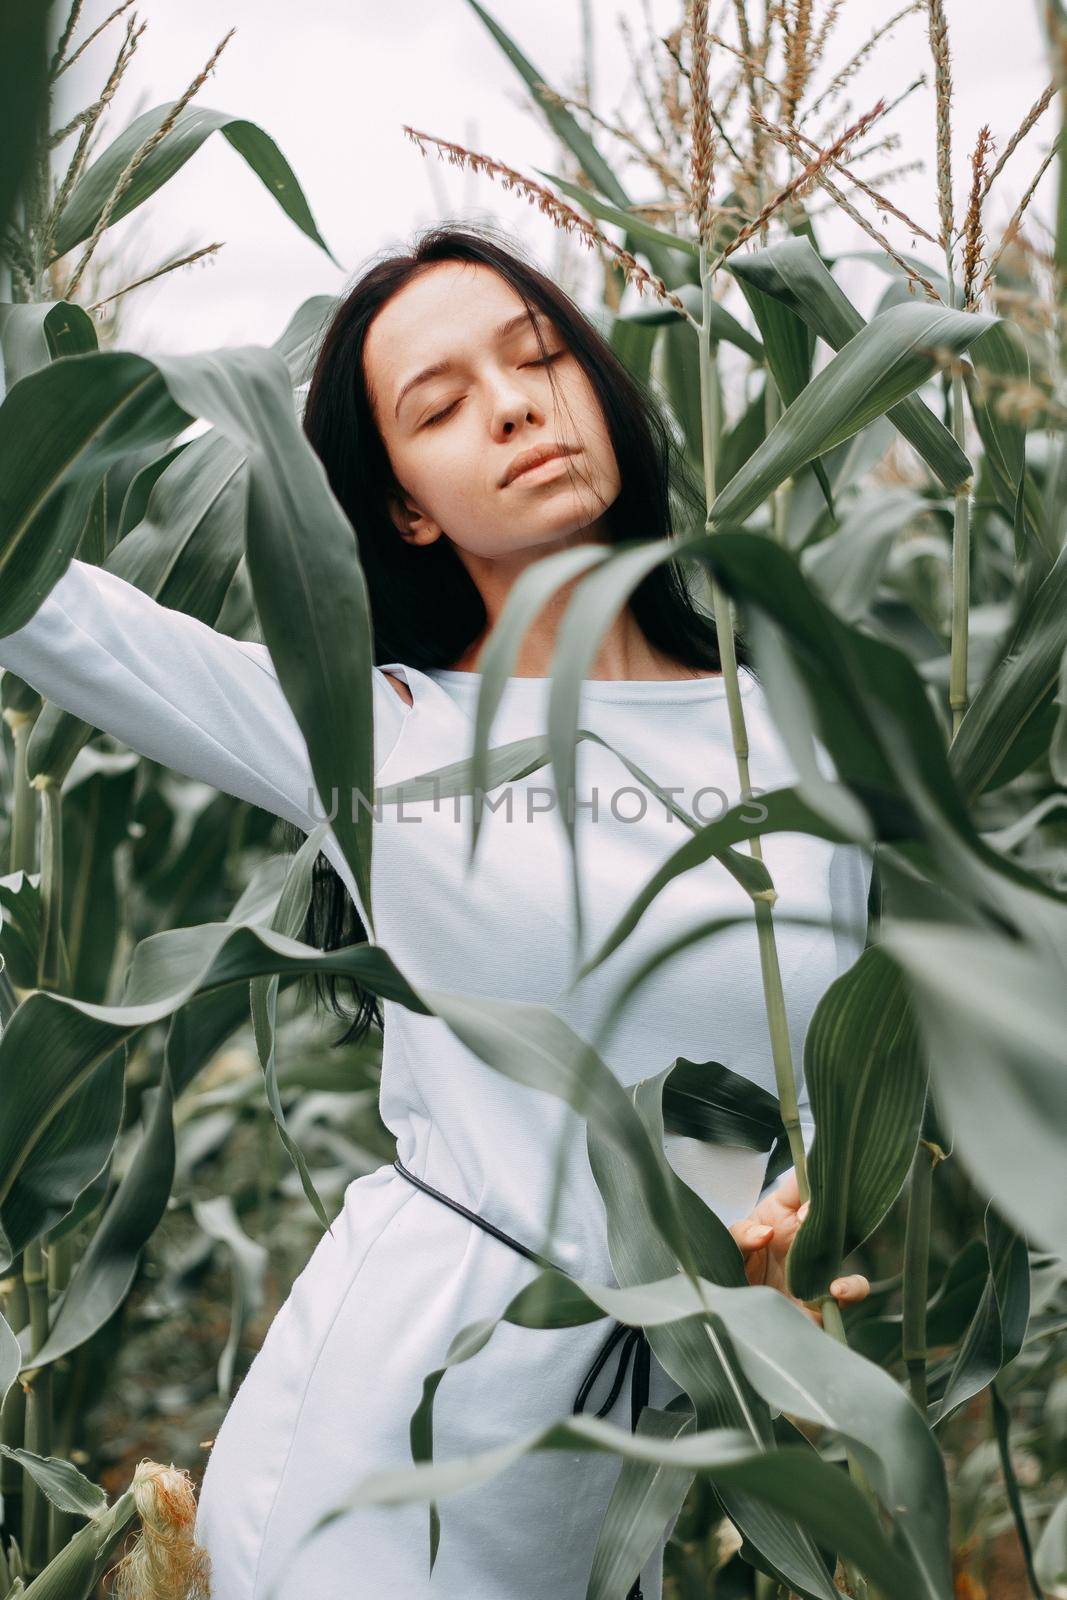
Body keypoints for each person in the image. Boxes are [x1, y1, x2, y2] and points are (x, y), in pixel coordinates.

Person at [0, 223, 871, 1600]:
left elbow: (826, 1059)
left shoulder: (803, 731)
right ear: (405, 507)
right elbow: (41, 603)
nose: (517, 402)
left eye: (538, 359)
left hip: (628, 1457)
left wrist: (806, 1212)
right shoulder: (377, 733)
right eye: (442, 405)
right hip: (399, 1420)